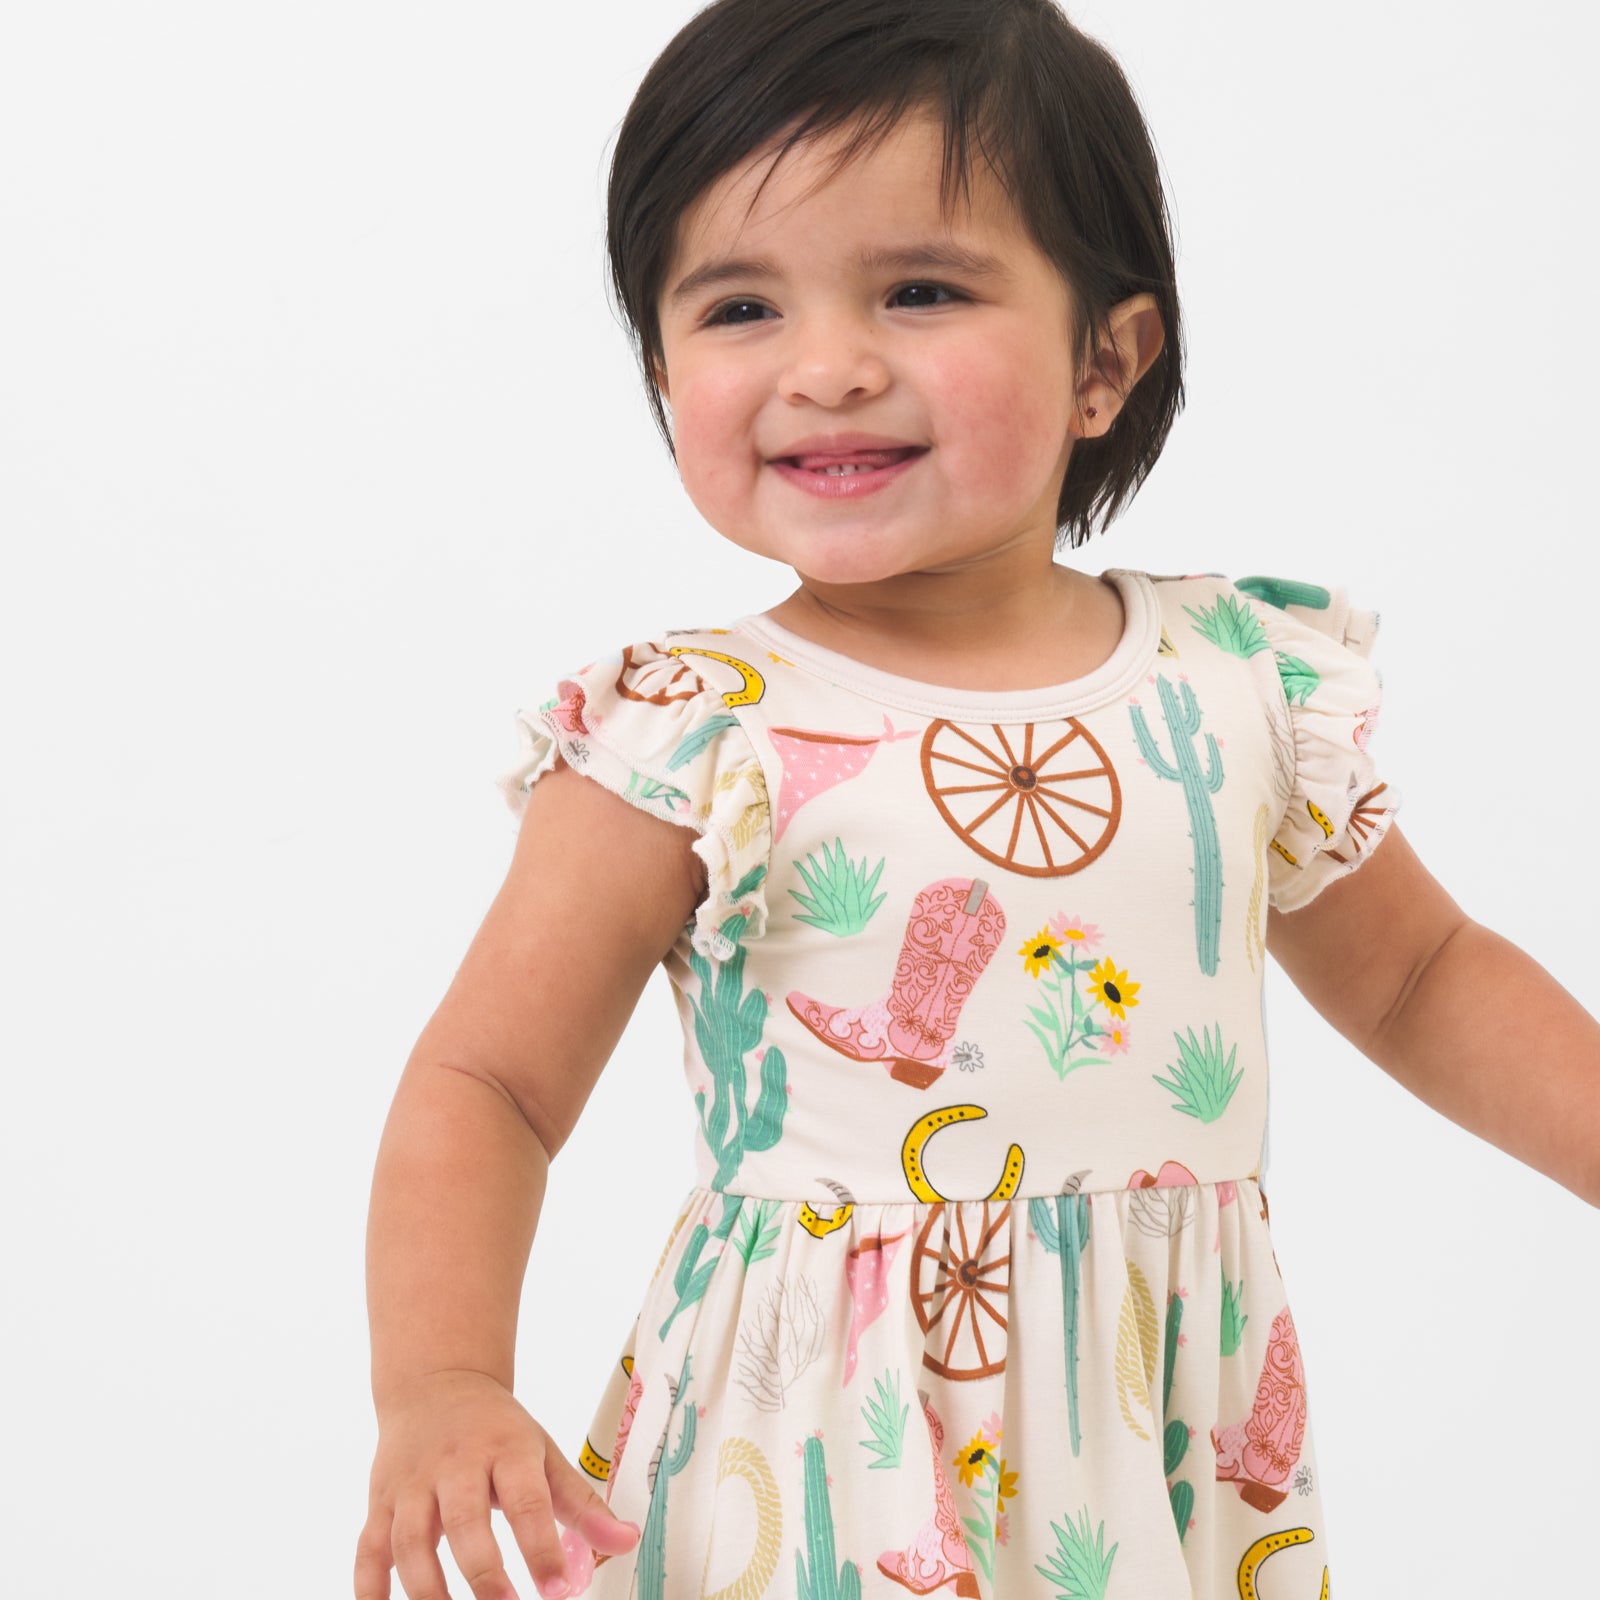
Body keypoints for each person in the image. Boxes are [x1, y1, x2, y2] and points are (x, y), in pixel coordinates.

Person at [355, 2, 1600, 1597]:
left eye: (920, 289)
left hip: (1158, 1452)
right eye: (739, 305)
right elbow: (489, 1084)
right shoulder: (694, 732)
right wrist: (441, 1384)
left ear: (1105, 360)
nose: (829, 366)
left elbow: (1426, 979)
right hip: (810, 1457)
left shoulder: (1232, 685)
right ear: (660, 363)